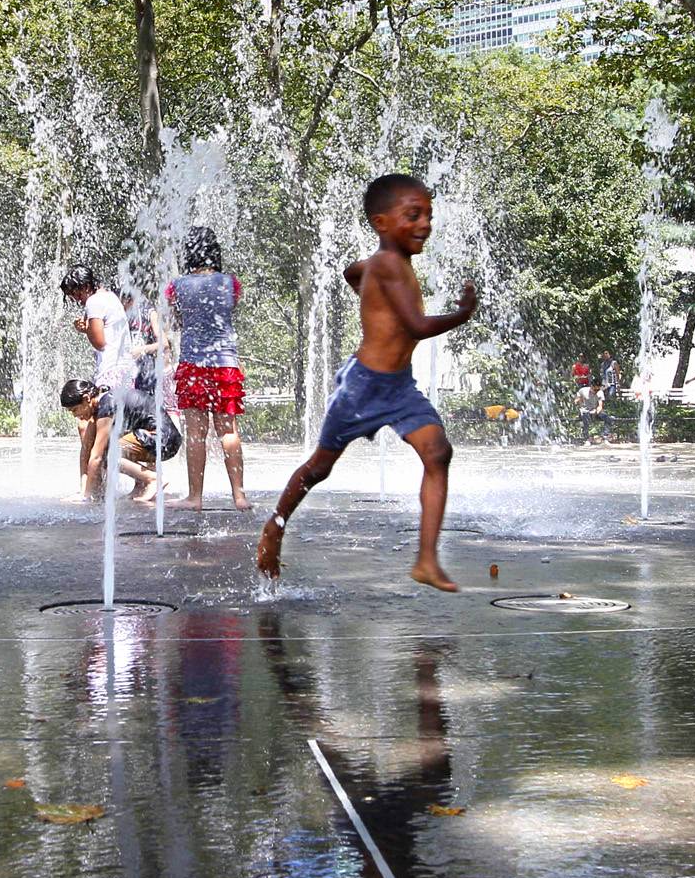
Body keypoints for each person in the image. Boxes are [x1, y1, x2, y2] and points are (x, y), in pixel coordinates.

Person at [257, 173, 477, 592]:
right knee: (319, 468)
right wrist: (462, 314)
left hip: (398, 387)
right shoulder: (390, 266)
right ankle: (275, 527)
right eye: (413, 215)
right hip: (362, 387)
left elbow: (350, 271)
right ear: (381, 222)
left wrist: (366, 288)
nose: (425, 224)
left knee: (438, 453)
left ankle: (427, 561)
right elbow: (416, 325)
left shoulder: (384, 264)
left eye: (428, 214)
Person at [166, 226, 249, 510]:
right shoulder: (230, 283)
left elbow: (177, 323)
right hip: (225, 364)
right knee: (228, 431)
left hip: (192, 365)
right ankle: (239, 495)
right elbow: (227, 315)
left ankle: (195, 497)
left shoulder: (176, 286)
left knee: (196, 433)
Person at [61, 263, 131, 496]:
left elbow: (100, 342)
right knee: (108, 436)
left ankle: (91, 492)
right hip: (124, 373)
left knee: (88, 431)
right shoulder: (110, 297)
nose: (77, 299)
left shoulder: (94, 302)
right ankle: (99, 488)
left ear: (84, 286)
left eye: (76, 293)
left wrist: (86, 329)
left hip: (110, 375)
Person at [574, 378, 608, 444]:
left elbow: (600, 406)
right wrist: (577, 401)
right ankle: (587, 438)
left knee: (608, 418)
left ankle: (604, 436)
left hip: (595, 411)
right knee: (585, 417)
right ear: (591, 387)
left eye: (598, 389)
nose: (596, 391)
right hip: (585, 411)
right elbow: (577, 400)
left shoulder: (600, 393)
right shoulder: (583, 390)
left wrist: (596, 411)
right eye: (595, 389)